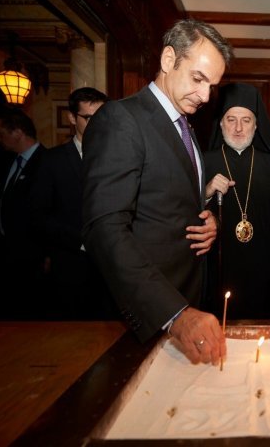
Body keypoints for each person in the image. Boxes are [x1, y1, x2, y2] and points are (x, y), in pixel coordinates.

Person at [82, 19, 233, 365]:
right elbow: (104, 229)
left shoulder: (185, 126)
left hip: (185, 304)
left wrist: (209, 219)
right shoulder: (121, 119)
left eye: (211, 86)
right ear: (168, 60)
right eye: (198, 79)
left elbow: (170, 200)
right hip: (147, 315)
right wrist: (174, 314)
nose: (205, 96)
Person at [203, 83, 270, 319]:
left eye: (246, 120)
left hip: (265, 278)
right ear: (221, 124)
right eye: (231, 120)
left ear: (256, 125)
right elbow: (181, 213)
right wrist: (206, 192)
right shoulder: (203, 162)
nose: (238, 128)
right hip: (217, 275)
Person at [29, 87, 115, 319]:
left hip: (112, 270)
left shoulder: (120, 157)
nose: (97, 124)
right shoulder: (51, 160)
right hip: (70, 269)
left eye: (102, 117)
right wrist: (81, 241)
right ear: (72, 118)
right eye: (89, 118)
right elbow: (38, 217)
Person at [0, 107, 48, 319]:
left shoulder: (47, 162)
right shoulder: (5, 162)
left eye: (1, 133)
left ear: (17, 132)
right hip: (7, 255)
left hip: (33, 257)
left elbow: (50, 211)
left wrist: (47, 254)